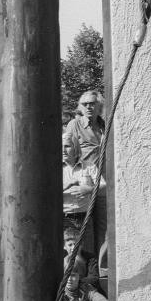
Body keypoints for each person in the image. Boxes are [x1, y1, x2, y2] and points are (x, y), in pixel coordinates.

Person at [66, 90, 107, 255]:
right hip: (84, 183)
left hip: (103, 182)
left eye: (92, 103)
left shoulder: (104, 125)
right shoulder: (74, 125)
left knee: (103, 228)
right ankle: (81, 271)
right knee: (84, 232)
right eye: (85, 104)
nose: (88, 107)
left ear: (99, 106)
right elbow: (67, 152)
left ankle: (102, 273)